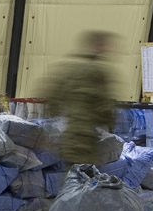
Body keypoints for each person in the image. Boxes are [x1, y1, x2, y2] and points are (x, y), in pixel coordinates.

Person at [44, 31, 117, 165]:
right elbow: (104, 104)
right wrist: (110, 124)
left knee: (73, 172)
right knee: (81, 176)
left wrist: (51, 124)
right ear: (97, 46)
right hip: (85, 135)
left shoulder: (69, 67)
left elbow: (51, 96)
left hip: (70, 131)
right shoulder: (97, 71)